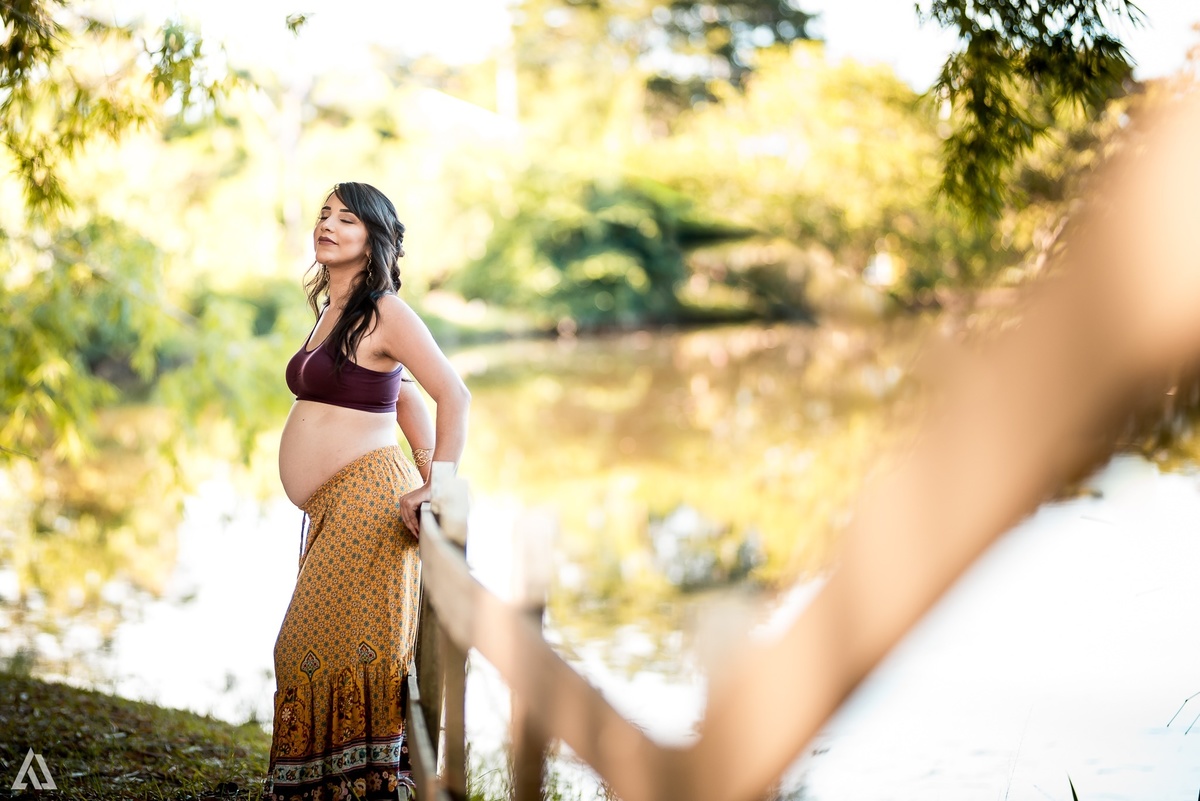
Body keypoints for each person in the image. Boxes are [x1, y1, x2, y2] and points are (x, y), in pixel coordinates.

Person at [266, 181, 470, 801]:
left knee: (303, 648)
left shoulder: (386, 309)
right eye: (324, 214)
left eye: (346, 218)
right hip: (333, 509)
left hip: (369, 504)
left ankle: (359, 788)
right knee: (309, 653)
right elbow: (400, 392)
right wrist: (426, 454)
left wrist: (437, 483)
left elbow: (453, 393)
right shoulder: (335, 310)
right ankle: (329, 787)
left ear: (373, 238)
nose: (327, 224)